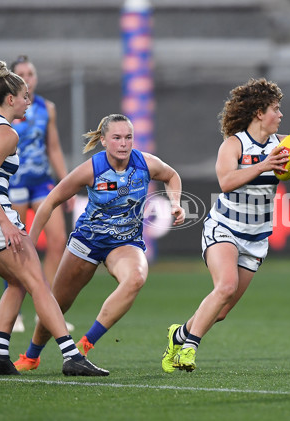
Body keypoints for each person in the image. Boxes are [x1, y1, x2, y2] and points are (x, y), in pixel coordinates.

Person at [0, 59, 108, 376]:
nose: (29, 102)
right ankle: (72, 356)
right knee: (38, 282)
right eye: (25, 96)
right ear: (10, 99)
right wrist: (5, 223)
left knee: (18, 280)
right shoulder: (7, 134)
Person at [13, 113, 185, 374]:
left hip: (125, 243)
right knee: (58, 304)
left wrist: (175, 202)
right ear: (103, 141)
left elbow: (172, 176)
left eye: (128, 137)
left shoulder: (145, 163)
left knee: (136, 278)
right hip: (87, 241)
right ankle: (32, 355)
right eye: (116, 138)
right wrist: (31, 239)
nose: (124, 143)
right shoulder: (91, 169)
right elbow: (51, 201)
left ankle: (85, 345)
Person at [161, 78, 290, 373]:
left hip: (256, 238)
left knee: (222, 311)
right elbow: (226, 182)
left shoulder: (282, 145)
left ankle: (178, 335)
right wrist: (263, 165)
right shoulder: (234, 144)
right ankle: (188, 350)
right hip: (224, 228)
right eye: (275, 109)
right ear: (259, 113)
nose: (280, 115)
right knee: (225, 286)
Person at [5, 55, 74, 333]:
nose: (27, 79)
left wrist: (66, 184)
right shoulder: (6, 108)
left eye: (30, 73)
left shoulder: (47, 108)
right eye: (20, 74)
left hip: (43, 182)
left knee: (58, 241)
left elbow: (54, 148)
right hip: (15, 182)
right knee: (17, 246)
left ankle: (45, 311)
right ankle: (15, 312)